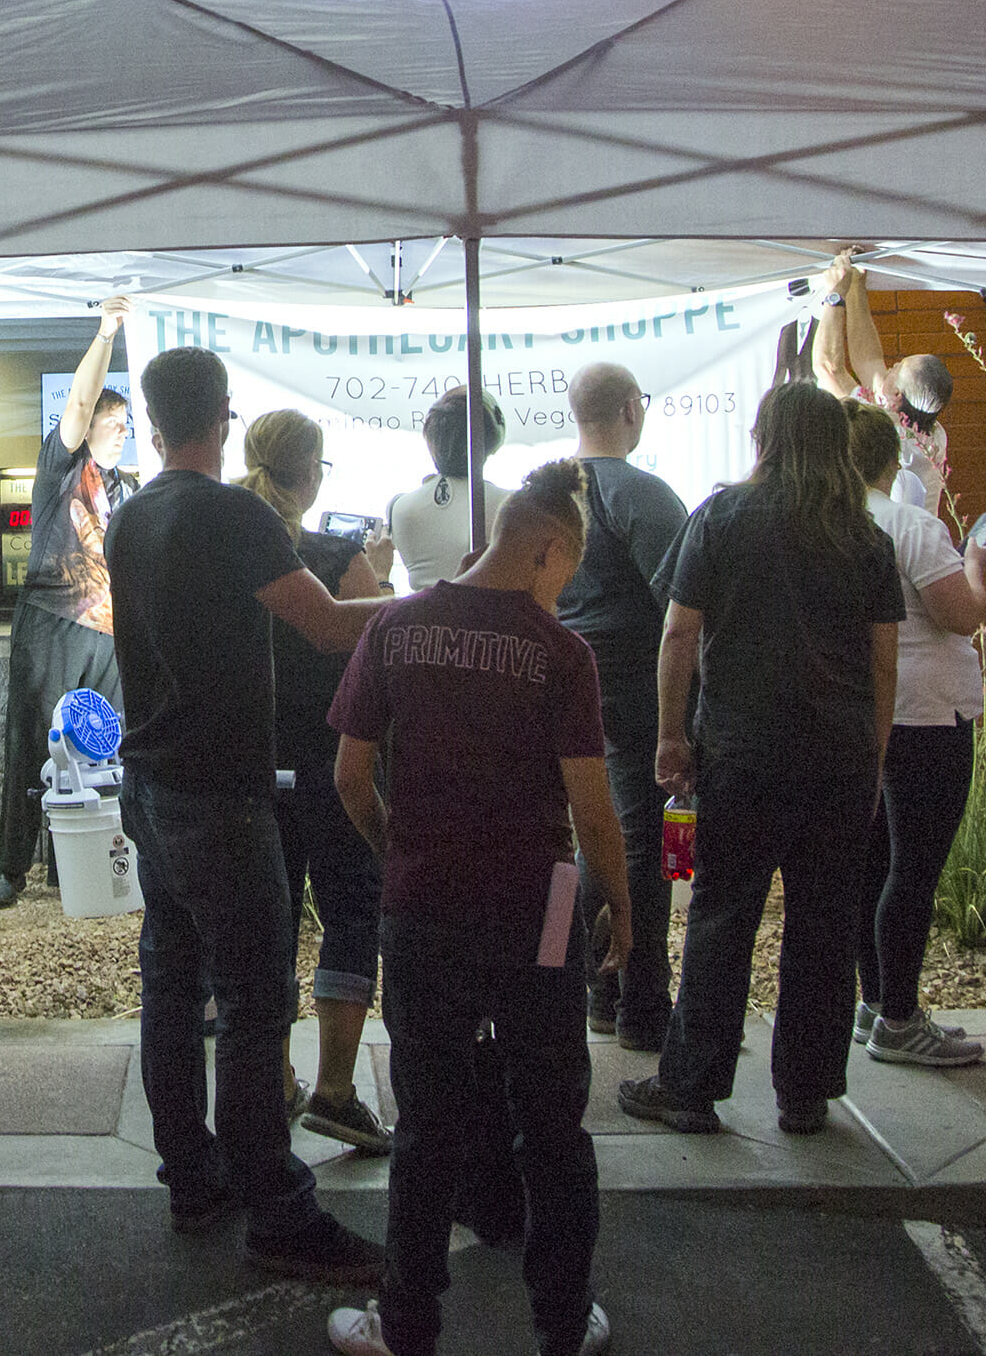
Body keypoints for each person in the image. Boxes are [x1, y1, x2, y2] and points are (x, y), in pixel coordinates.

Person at [326, 460, 629, 1356]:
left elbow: (350, 779)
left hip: (423, 906)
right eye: (564, 571)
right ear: (543, 551)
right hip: (541, 906)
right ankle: (563, 1323)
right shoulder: (562, 655)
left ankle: (407, 1323)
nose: (562, 589)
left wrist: (398, 850)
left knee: (425, 1121)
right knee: (552, 1120)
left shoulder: (394, 627)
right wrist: (627, 909)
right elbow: (592, 807)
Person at [106, 346, 390, 1284]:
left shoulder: (131, 515)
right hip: (222, 792)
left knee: (173, 986)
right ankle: (277, 1205)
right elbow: (330, 624)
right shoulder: (235, 515)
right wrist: (441, 598)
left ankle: (193, 1175)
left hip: (148, 779)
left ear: (153, 421)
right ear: (223, 416)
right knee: (257, 1000)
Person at [620, 382, 904, 1137]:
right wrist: (874, 759)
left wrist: (669, 734)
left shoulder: (721, 517)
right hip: (841, 759)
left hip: (744, 754)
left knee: (723, 913)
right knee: (825, 923)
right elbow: (883, 663)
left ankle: (691, 1087)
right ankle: (805, 1094)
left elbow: (678, 636)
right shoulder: (866, 538)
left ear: (763, 435)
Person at [237, 407, 394, 1151]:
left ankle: (271, 1079)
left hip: (252, 763)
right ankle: (335, 1088)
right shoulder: (335, 556)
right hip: (335, 760)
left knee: (266, 927)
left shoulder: (235, 553)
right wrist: (391, 584)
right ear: (309, 474)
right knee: (351, 911)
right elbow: (362, 634)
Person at [846, 400, 986, 1068]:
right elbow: (959, 615)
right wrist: (977, 567)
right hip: (926, 714)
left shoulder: (829, 526)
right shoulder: (908, 523)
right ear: (889, 458)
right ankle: (901, 1018)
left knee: (871, 861)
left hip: (860, 717)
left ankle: (875, 1001)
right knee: (914, 867)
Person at [554, 363, 690, 1052]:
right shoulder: (643, 494)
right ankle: (641, 1003)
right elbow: (687, 611)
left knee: (566, 846)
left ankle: (576, 989)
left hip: (551, 692)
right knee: (647, 852)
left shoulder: (542, 493)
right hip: (635, 698)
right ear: (632, 410)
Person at [0, 296, 135, 908]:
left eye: (128, 425)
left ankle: (88, 859)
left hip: (108, 630)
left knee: (105, 742)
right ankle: (12, 867)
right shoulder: (63, 465)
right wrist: (105, 337)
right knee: (35, 740)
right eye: (115, 423)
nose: (122, 433)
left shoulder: (126, 488)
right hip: (52, 620)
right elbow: (78, 401)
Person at [814, 252, 954, 511]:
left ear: (898, 395)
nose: (890, 366)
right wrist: (856, 284)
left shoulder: (890, 434)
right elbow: (868, 361)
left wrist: (835, 295)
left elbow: (828, 368)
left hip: (891, 545)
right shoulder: (930, 431)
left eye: (897, 368)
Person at [386, 389, 509, 590]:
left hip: (419, 619)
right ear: (492, 436)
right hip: (484, 619)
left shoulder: (397, 507)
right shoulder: (510, 505)